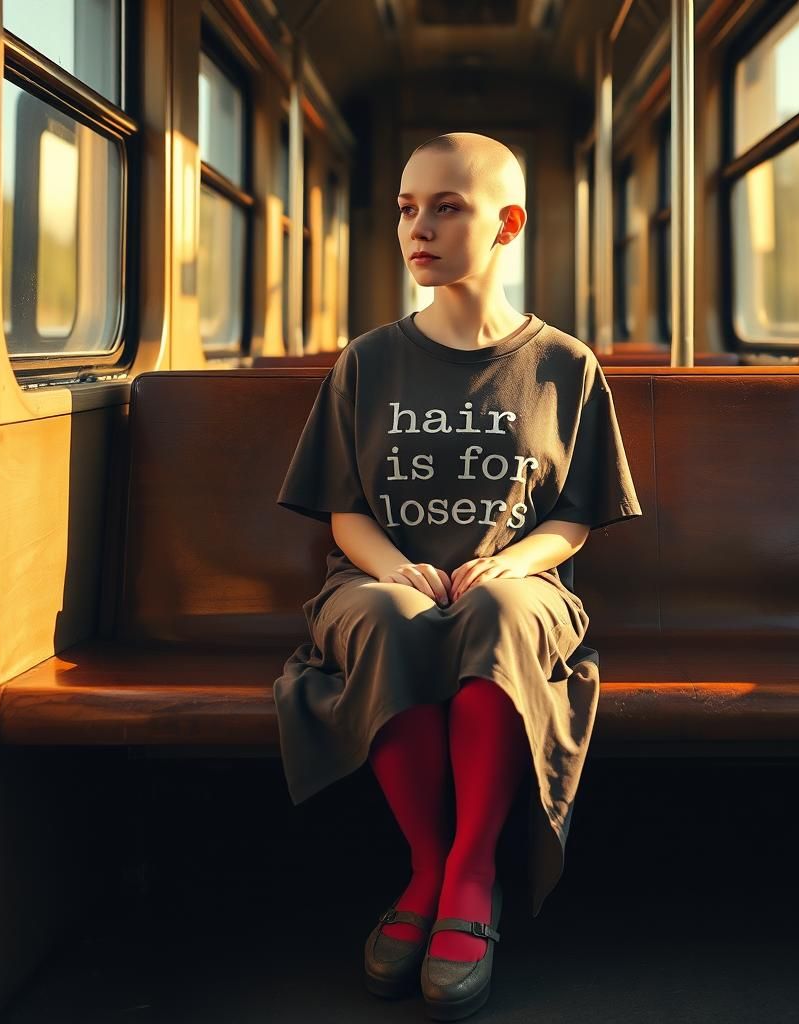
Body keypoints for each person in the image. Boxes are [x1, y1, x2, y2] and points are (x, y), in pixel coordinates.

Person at [273, 131, 643, 1018]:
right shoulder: (367, 360)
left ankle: (474, 874)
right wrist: (400, 568)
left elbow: (573, 518)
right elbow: (346, 511)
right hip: (378, 577)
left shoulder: (564, 366)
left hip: (519, 581)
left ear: (508, 223)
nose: (419, 227)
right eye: (407, 208)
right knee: (388, 620)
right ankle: (428, 865)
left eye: (447, 206)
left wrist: (508, 561)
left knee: (505, 617)